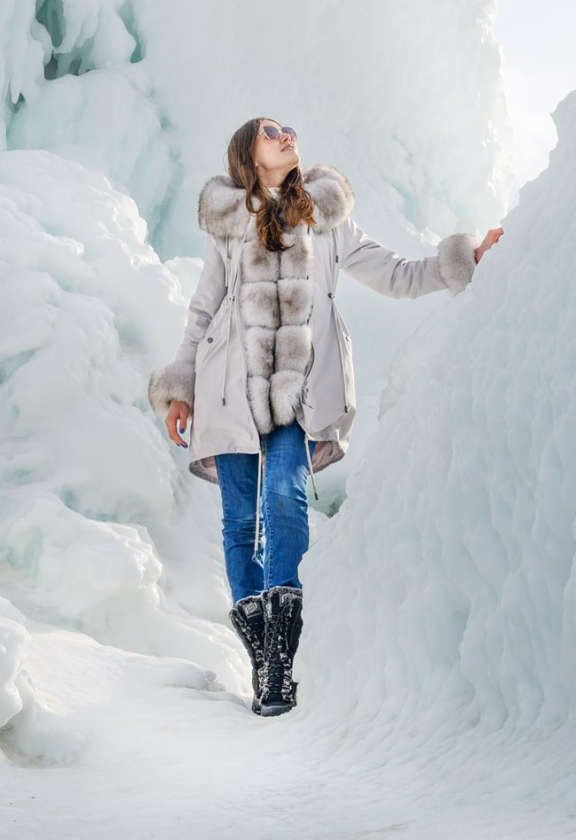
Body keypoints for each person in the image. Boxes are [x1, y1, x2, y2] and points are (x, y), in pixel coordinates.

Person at [147, 117, 504, 715]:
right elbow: (203, 310)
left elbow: (395, 274)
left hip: (300, 393)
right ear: (248, 155)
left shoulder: (324, 216)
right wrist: (180, 386)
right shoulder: (228, 224)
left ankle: (281, 657)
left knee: (284, 500)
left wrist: (464, 259)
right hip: (228, 388)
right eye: (270, 132)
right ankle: (263, 661)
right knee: (240, 524)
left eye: (288, 128)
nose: (286, 135)